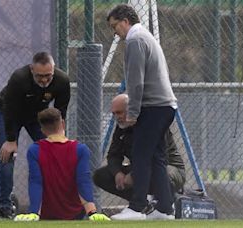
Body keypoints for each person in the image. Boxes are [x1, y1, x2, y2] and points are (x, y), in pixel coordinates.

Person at [107, 4, 178, 220]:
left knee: (140, 154)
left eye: (115, 26)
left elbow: (135, 81)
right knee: (156, 157)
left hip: (153, 107)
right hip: (164, 106)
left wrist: (134, 111)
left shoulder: (135, 40)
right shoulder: (145, 37)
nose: (115, 32)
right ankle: (165, 209)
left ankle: (137, 207)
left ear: (125, 21)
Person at [0, 52, 70, 218]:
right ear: (31, 69)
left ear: (54, 70)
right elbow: (9, 111)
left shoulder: (62, 81)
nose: (44, 80)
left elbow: (60, 113)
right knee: (8, 156)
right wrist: (10, 140)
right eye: (39, 76)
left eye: (48, 76)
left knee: (55, 152)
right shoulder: (19, 79)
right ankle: (5, 206)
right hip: (10, 112)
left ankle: (57, 203)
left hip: (37, 115)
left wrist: (58, 136)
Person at [93, 94, 185, 214]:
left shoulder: (152, 123)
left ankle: (165, 203)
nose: (117, 117)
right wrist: (118, 173)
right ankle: (144, 203)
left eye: (120, 112)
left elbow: (159, 158)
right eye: (114, 113)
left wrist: (135, 175)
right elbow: (113, 155)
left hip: (168, 167)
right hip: (140, 168)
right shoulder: (121, 127)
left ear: (131, 110)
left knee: (164, 175)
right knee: (101, 175)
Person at [13, 108, 110, 221]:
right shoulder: (80, 149)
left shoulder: (35, 150)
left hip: (46, 212)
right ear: (62, 123)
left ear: (43, 130)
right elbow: (83, 181)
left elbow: (36, 181)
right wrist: (92, 212)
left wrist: (34, 212)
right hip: (75, 212)